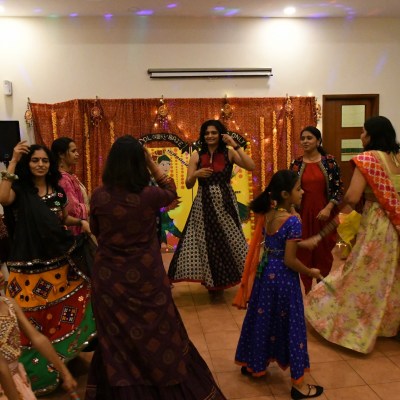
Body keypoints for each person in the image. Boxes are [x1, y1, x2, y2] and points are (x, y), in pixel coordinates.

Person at [86, 135, 226, 399]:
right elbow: (172, 191)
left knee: (116, 339)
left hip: (109, 281)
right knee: (158, 334)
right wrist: (151, 163)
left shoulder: (99, 197)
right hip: (147, 279)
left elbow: (95, 230)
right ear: (139, 163)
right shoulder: (149, 195)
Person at [0, 141, 96, 394]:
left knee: (67, 312)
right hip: (28, 271)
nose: (40, 164)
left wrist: (81, 223)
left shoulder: (58, 192)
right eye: (35, 160)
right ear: (27, 163)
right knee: (33, 322)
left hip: (58, 267)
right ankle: (37, 375)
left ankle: (64, 363)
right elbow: (2, 197)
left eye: (44, 160)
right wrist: (12, 162)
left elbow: (63, 219)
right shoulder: (20, 191)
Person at [305, 116, 400, 354]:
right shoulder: (397, 157)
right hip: (397, 224)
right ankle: (387, 326)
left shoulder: (368, 159)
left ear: (372, 136)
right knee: (391, 276)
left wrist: (328, 226)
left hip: (378, 225)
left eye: (363, 132)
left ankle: (352, 330)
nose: (360, 136)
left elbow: (352, 197)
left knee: (359, 274)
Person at [233, 170, 323, 399]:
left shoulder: (269, 213)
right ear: (285, 194)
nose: (303, 192)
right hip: (284, 279)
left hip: (265, 275)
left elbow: (277, 244)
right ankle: (298, 386)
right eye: (298, 189)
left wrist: (302, 243)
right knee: (292, 326)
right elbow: (290, 260)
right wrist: (310, 271)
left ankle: (252, 364)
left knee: (262, 319)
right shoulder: (293, 221)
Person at [168, 119, 255, 291]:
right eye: (207, 133)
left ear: (220, 134)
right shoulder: (197, 155)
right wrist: (196, 174)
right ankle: (213, 280)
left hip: (226, 203)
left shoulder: (229, 153)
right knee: (205, 241)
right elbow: (188, 184)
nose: (210, 136)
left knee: (232, 238)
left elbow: (250, 166)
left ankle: (236, 275)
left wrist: (235, 145)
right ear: (203, 135)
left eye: (214, 132)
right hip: (203, 204)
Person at [0, 271, 78, 400]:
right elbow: (2, 368)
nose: (1, 275)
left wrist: (65, 373)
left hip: (14, 379)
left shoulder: (10, 304)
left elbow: (37, 338)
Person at [290, 126, 343, 293]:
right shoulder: (296, 164)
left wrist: (328, 208)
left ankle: (322, 290)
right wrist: (294, 212)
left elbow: (338, 189)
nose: (305, 141)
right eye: (303, 138)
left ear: (318, 141)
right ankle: (306, 290)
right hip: (303, 215)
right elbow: (289, 190)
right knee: (303, 253)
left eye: (309, 138)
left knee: (323, 253)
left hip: (324, 214)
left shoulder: (330, 162)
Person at [51, 137, 89, 236]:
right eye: (73, 151)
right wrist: (90, 208)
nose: (77, 154)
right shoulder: (63, 179)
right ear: (61, 154)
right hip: (72, 231)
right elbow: (71, 210)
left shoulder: (68, 176)